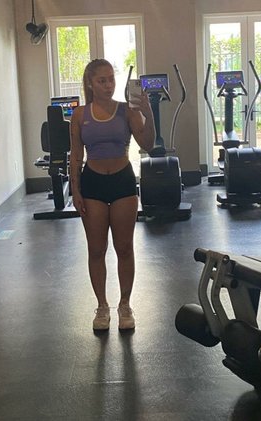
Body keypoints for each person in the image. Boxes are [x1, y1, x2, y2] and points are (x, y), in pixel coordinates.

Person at [70, 59, 155, 331]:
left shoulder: (127, 111)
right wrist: (75, 190)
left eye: (111, 79)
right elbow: (76, 155)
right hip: (93, 184)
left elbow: (148, 144)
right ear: (91, 84)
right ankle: (102, 306)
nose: (109, 85)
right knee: (96, 250)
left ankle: (125, 305)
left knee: (124, 247)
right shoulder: (80, 115)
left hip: (122, 182)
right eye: (102, 81)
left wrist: (148, 113)